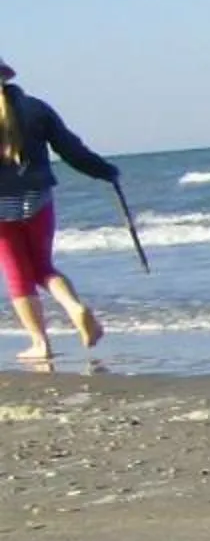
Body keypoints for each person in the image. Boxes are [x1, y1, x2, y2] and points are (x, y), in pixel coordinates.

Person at [0, 57, 118, 365]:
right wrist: (104, 170)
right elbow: (70, 149)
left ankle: (40, 344)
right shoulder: (37, 108)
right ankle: (73, 306)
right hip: (38, 198)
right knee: (43, 267)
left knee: (18, 276)